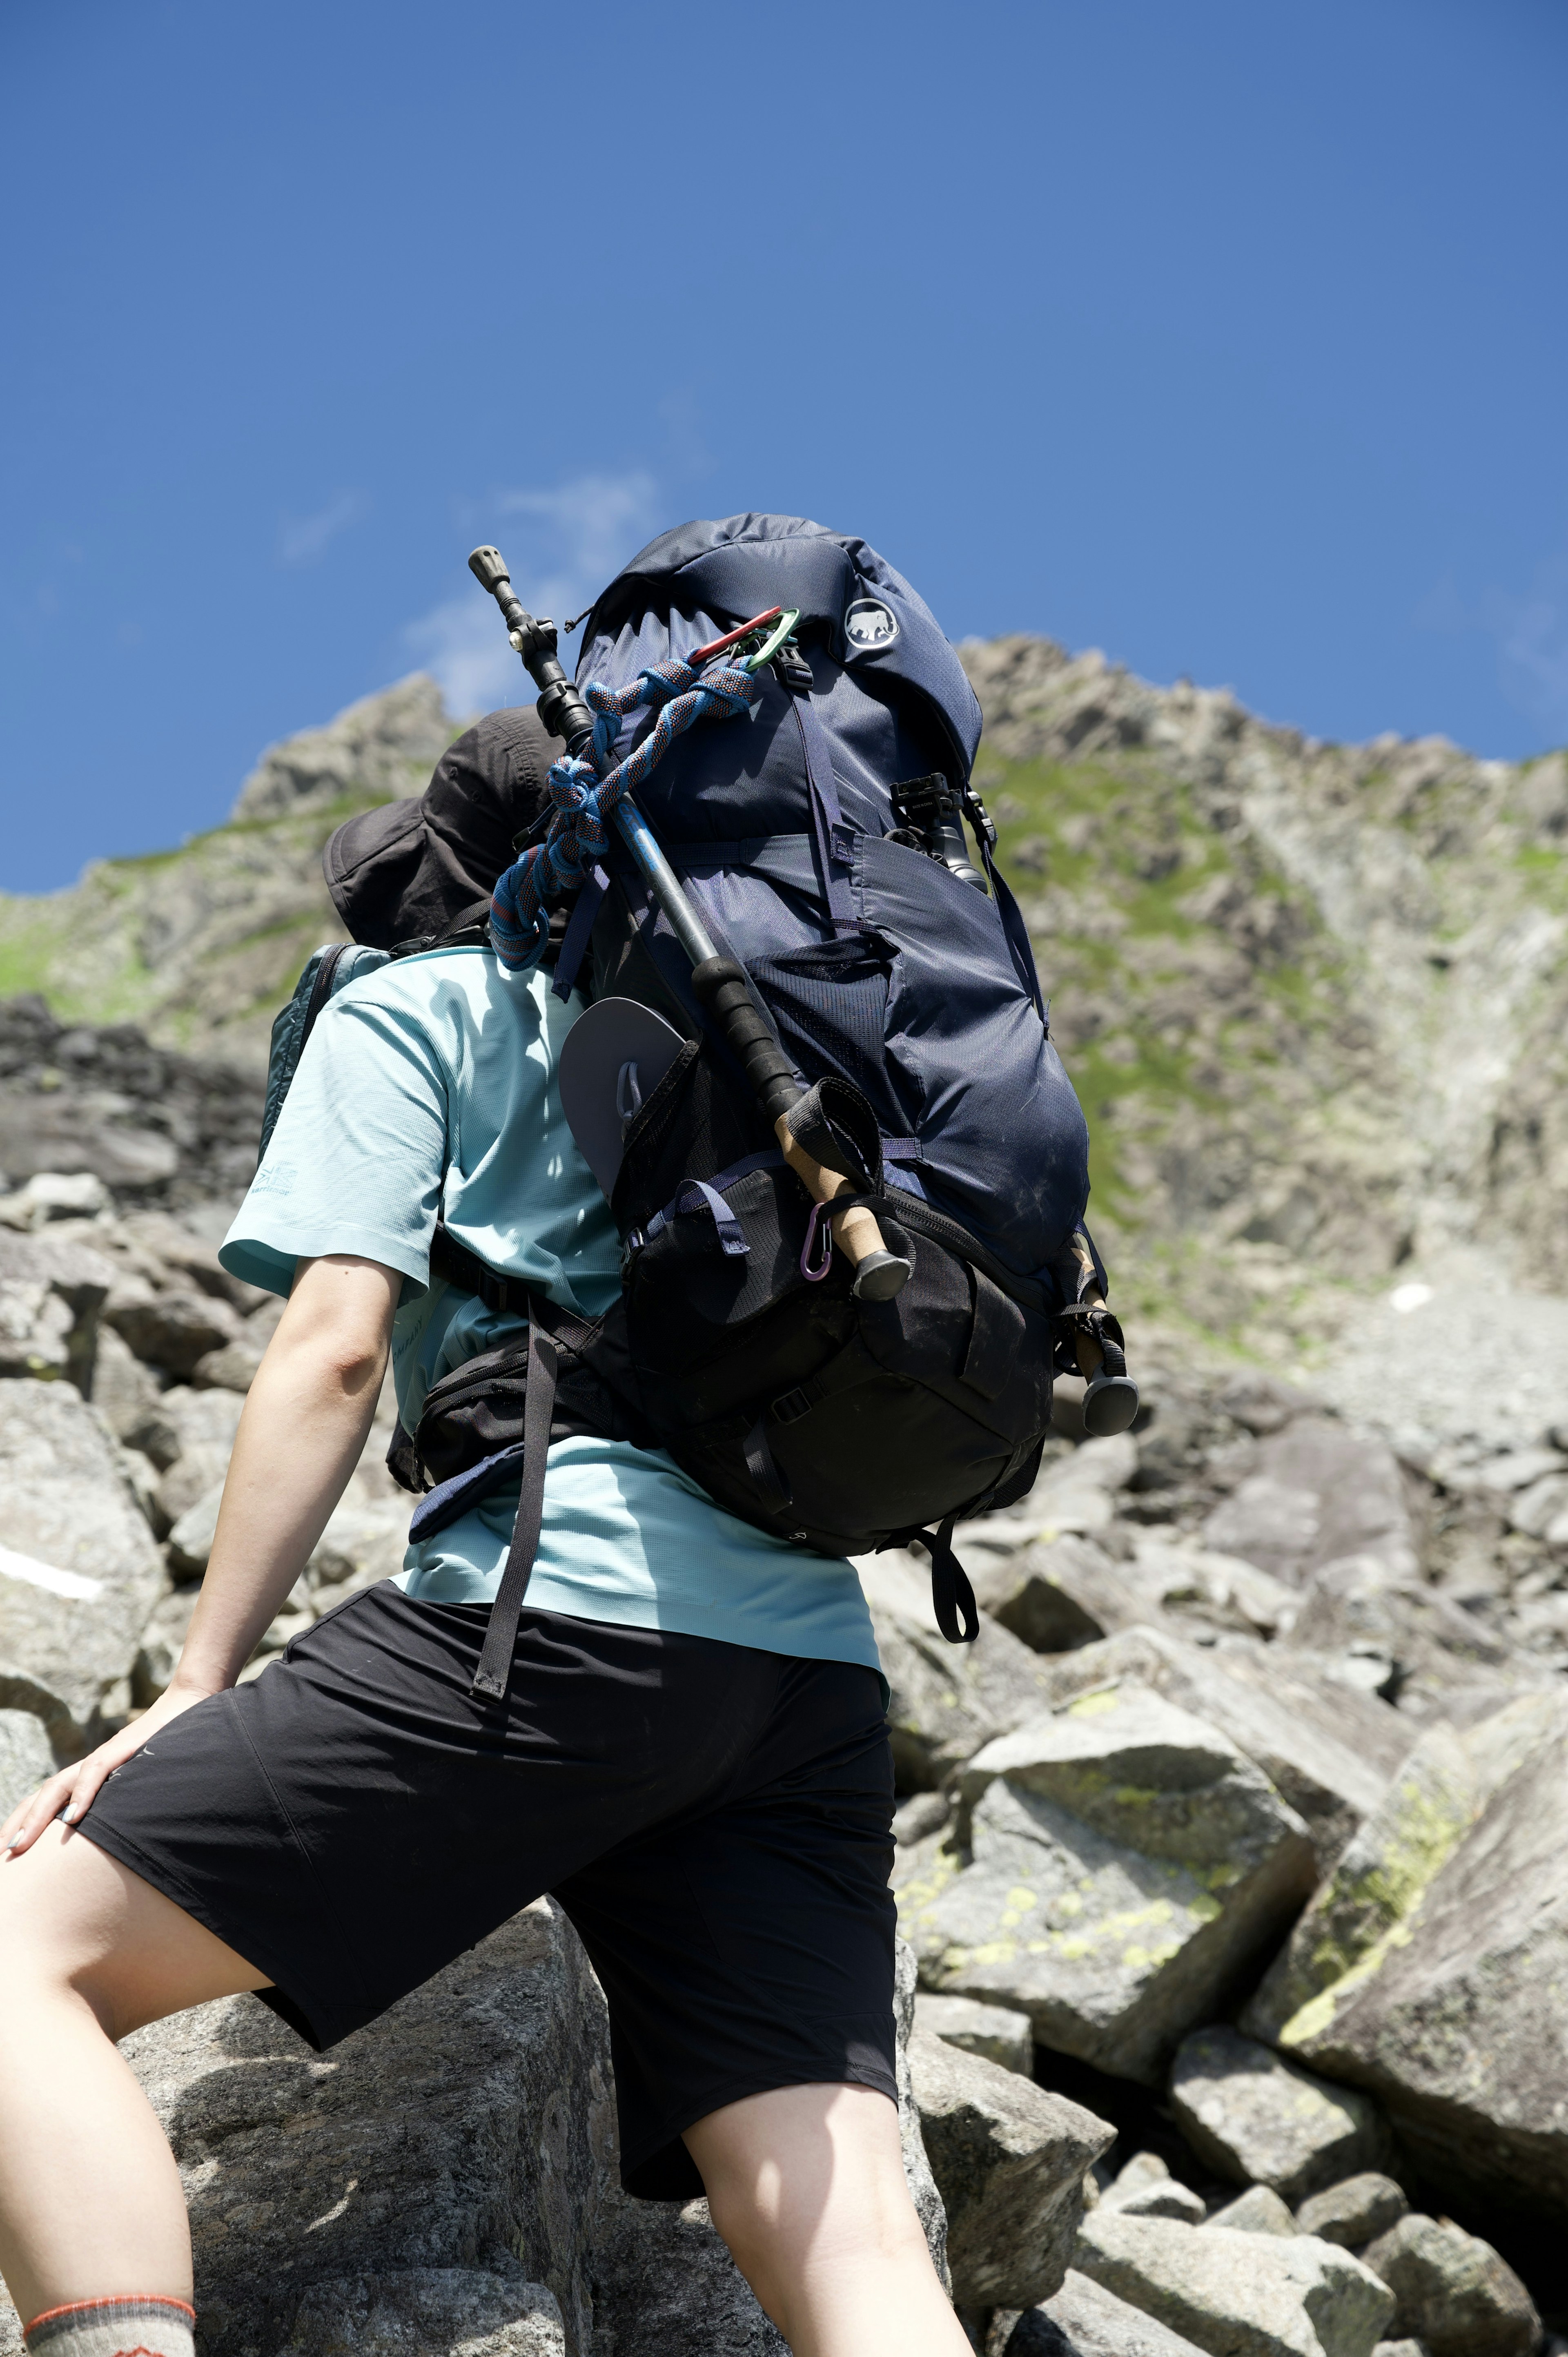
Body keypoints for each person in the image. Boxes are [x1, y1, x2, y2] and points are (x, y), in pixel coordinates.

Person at [0, 818, 971, 2357]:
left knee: (13, 1954)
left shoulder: (421, 1001)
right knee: (842, 2229)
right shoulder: (771, 1036)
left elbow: (333, 1342)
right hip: (807, 1678)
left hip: (558, 1616)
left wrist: (196, 1684)